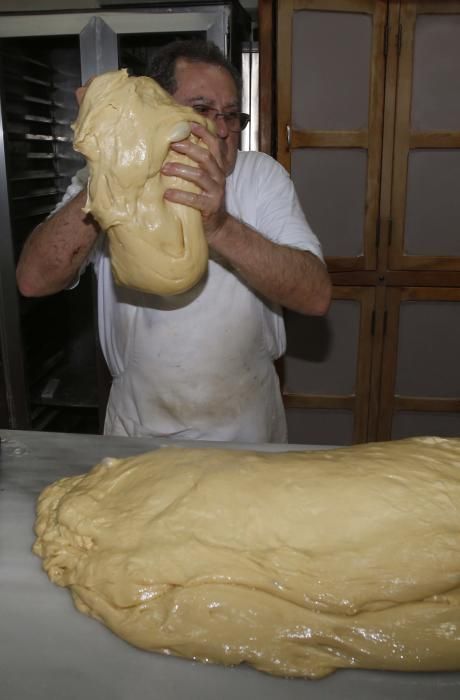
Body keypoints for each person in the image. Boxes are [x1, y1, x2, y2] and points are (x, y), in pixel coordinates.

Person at [16, 39, 331, 443]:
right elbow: (33, 280)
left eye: (232, 116)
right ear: (158, 112)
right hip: (140, 427)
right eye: (201, 110)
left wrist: (218, 227)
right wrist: (116, 171)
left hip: (245, 425)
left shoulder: (260, 177)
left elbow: (315, 294)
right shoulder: (103, 179)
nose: (220, 129)